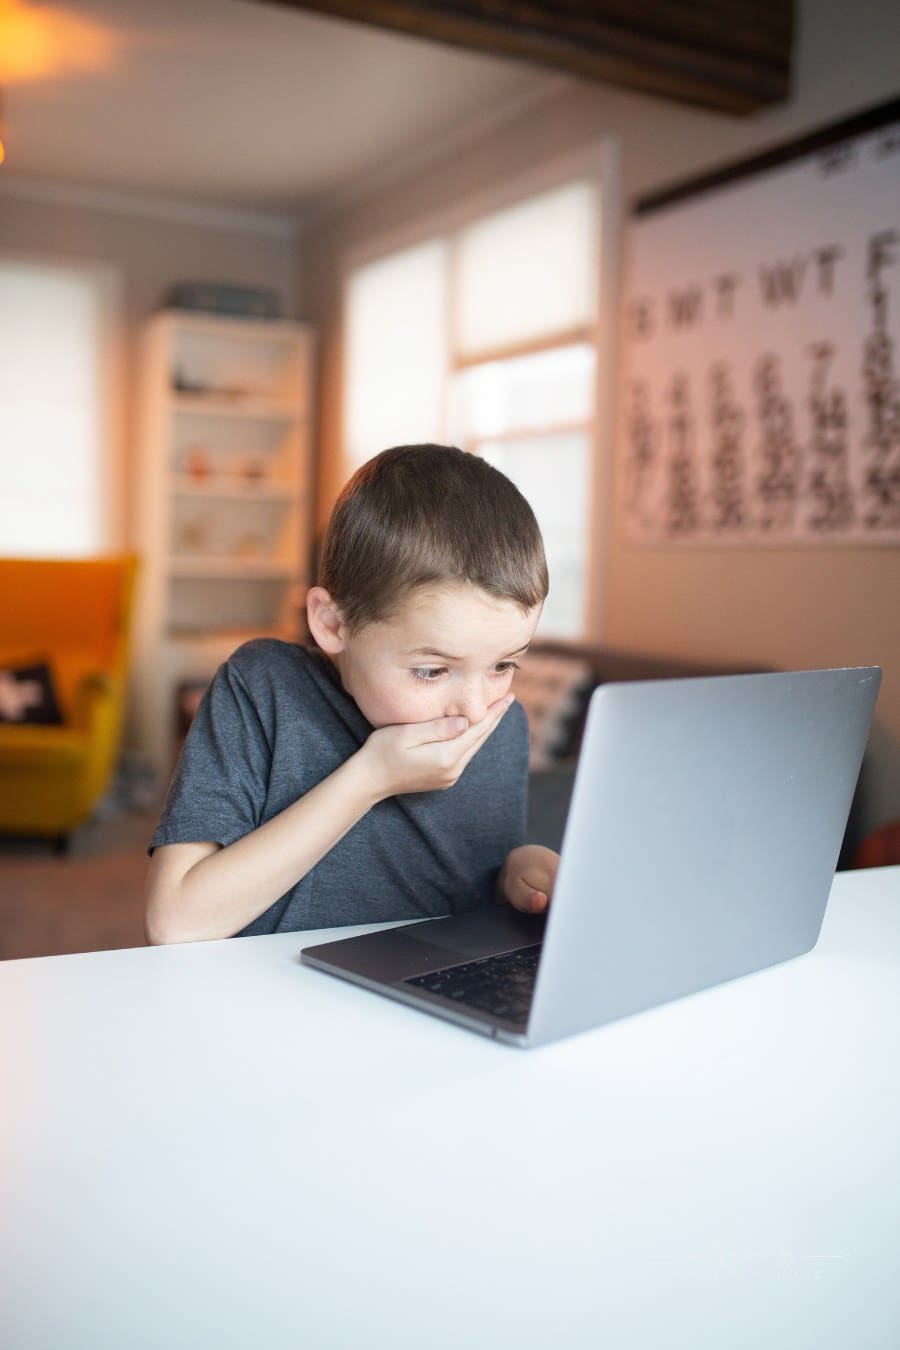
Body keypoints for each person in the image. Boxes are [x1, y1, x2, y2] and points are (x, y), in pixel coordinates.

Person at [145, 443, 560, 944]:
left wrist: (512, 873)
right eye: (432, 670)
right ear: (332, 623)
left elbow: (458, 895)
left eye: (503, 665)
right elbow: (176, 922)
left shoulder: (501, 724)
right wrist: (372, 777)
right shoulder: (262, 689)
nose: (474, 710)